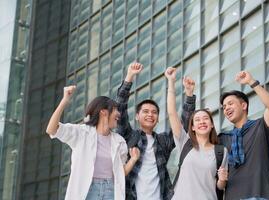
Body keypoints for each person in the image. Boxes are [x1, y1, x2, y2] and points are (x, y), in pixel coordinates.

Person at [116, 63, 196, 200]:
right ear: (137, 116)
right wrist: (129, 77)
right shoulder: (129, 136)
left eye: (154, 112)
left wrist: (189, 95)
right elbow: (120, 108)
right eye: (145, 112)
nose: (150, 115)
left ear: (158, 119)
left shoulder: (163, 141)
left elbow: (183, 125)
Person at [46, 86, 140, 200]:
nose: (118, 114)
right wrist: (64, 101)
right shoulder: (81, 133)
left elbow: (120, 173)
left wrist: (133, 159)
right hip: (87, 189)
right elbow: (51, 129)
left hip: (110, 190)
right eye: (115, 109)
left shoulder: (119, 141)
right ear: (103, 112)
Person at [165, 67, 228, 200]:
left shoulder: (221, 151)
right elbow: (172, 113)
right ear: (192, 127)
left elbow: (220, 186)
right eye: (197, 120)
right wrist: (171, 81)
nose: (202, 122)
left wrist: (222, 179)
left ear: (211, 125)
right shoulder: (185, 142)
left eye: (206, 119)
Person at [219, 71, 269, 200]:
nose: (226, 108)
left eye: (230, 104)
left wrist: (251, 82)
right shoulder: (223, 138)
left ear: (244, 105)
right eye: (224, 107)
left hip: (259, 196)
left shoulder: (260, 127)